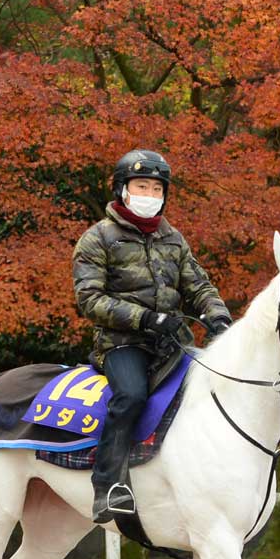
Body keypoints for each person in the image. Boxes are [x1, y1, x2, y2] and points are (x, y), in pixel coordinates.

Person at [71, 149, 233, 523]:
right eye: (141, 185)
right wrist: (145, 319)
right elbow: (90, 299)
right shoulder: (97, 239)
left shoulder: (172, 238)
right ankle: (109, 486)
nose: (149, 193)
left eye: (156, 188)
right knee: (131, 396)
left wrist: (218, 316)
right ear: (123, 189)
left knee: (210, 391)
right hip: (122, 344)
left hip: (172, 342)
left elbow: (198, 284)